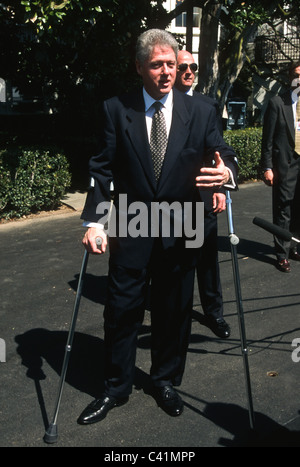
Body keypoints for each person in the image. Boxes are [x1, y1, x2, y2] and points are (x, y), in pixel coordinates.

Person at [77, 29, 238, 425]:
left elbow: (224, 154)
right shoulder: (117, 109)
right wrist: (96, 222)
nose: (167, 72)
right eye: (157, 65)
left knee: (174, 310)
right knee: (121, 309)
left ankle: (165, 379)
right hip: (131, 224)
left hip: (184, 226)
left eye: (171, 64)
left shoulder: (199, 110)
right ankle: (116, 386)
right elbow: (102, 169)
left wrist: (226, 174)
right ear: (139, 67)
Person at [174, 49, 231, 338]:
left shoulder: (208, 105)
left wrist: (221, 186)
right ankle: (176, 317)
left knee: (208, 263)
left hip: (201, 200)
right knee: (175, 265)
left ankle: (215, 314)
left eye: (193, 67)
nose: (189, 71)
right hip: (167, 204)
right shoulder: (159, 106)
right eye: (182, 66)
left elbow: (217, 151)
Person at [261, 61, 300, 272]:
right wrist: (267, 167)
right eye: (296, 75)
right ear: (289, 78)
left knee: (298, 208)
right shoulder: (277, 103)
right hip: (285, 165)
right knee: (283, 209)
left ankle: (294, 246)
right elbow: (266, 140)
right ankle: (281, 253)